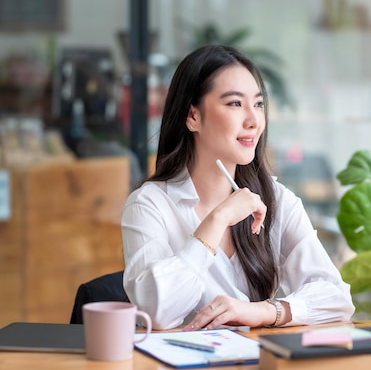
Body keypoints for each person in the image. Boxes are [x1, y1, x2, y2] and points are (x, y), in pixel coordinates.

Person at [121, 44, 355, 330]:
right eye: (235, 103)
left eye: (257, 104)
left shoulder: (276, 200)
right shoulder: (149, 204)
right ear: (192, 116)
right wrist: (218, 220)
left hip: (255, 369)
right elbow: (155, 312)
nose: (254, 120)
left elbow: (336, 297)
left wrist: (264, 312)